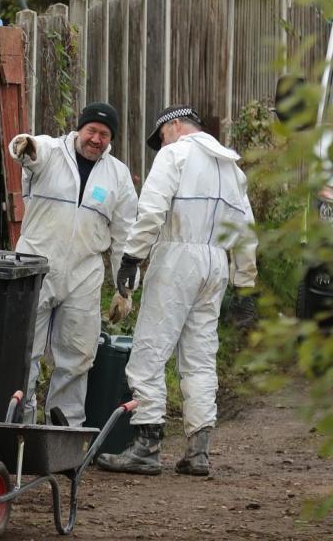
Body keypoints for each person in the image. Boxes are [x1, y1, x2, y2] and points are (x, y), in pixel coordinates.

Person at [96, 105, 258, 476]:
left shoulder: (175, 154)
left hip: (177, 258)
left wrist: (131, 258)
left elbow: (151, 210)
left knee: (150, 352)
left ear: (174, 126)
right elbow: (246, 231)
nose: (161, 144)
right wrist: (245, 285)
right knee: (201, 356)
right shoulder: (231, 168)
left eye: (161, 136)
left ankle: (146, 445)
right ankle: (198, 451)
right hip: (216, 262)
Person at [8, 102, 138, 426]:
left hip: (84, 274)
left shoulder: (118, 176)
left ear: (111, 139)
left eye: (104, 134)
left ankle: (63, 435)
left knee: (77, 358)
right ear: (80, 129)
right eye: (92, 130)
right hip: (36, 267)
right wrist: (25, 145)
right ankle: (15, 430)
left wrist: (125, 290)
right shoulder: (51, 152)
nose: (96, 139)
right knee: (24, 355)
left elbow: (124, 235)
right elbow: (26, 150)